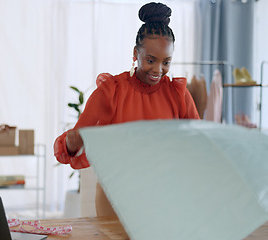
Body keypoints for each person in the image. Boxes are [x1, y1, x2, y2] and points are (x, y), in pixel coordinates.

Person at [54, 2, 200, 217]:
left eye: (166, 62)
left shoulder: (178, 95)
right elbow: (72, 143)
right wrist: (72, 141)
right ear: (135, 53)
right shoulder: (112, 92)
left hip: (163, 199)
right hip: (115, 199)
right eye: (151, 60)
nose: (158, 70)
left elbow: (198, 143)